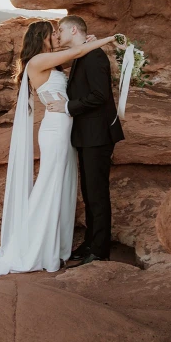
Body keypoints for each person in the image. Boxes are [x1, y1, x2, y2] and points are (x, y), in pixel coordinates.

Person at [0, 20, 117, 277]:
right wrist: (109, 40)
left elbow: (78, 54)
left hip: (68, 131)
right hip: (55, 131)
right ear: (42, 37)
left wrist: (88, 43)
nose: (57, 36)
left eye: (59, 32)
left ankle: (57, 247)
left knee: (64, 186)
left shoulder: (52, 61)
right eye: (52, 33)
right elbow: (76, 53)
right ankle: (34, 248)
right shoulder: (37, 62)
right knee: (50, 186)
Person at [46, 16, 125, 265]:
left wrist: (67, 106)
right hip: (86, 135)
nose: (58, 34)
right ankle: (91, 242)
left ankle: (99, 251)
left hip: (98, 135)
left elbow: (100, 95)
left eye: (60, 29)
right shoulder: (83, 54)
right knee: (89, 193)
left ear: (73, 29)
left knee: (97, 194)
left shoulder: (94, 56)